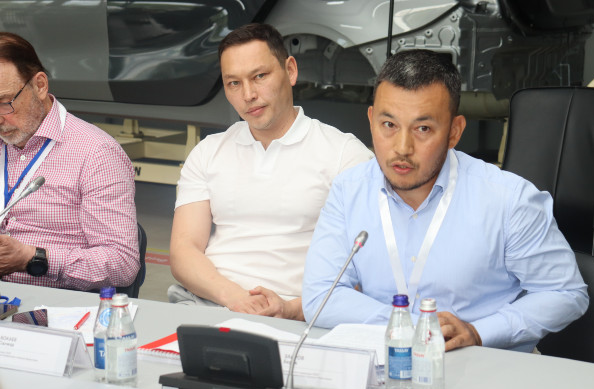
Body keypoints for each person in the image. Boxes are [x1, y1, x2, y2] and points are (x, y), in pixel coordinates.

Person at [302, 49, 589, 352]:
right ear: (372, 120)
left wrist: (479, 332)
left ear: (454, 132)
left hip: (483, 365)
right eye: (389, 125)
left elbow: (566, 293)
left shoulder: (508, 200)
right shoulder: (349, 191)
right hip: (385, 364)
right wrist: (416, 328)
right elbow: (321, 296)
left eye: (423, 129)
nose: (402, 147)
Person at [168, 23, 373, 320]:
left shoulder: (345, 155)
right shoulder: (208, 151)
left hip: (299, 315)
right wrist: (236, 298)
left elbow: (366, 270)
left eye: (259, 76)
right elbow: (184, 250)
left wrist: (292, 310)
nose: (248, 94)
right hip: (208, 303)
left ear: (290, 71)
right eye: (233, 83)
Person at [0, 32, 139, 290]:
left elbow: (122, 264)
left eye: (4, 103)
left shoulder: (96, 153)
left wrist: (32, 258)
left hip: (51, 301)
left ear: (40, 86)